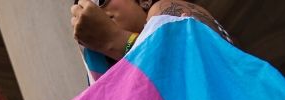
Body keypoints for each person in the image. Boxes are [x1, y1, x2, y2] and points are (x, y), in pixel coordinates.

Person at [71, 0, 230, 64]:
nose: (96, 16)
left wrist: (115, 40)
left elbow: (193, 67)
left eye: (100, 1)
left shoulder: (164, 8)